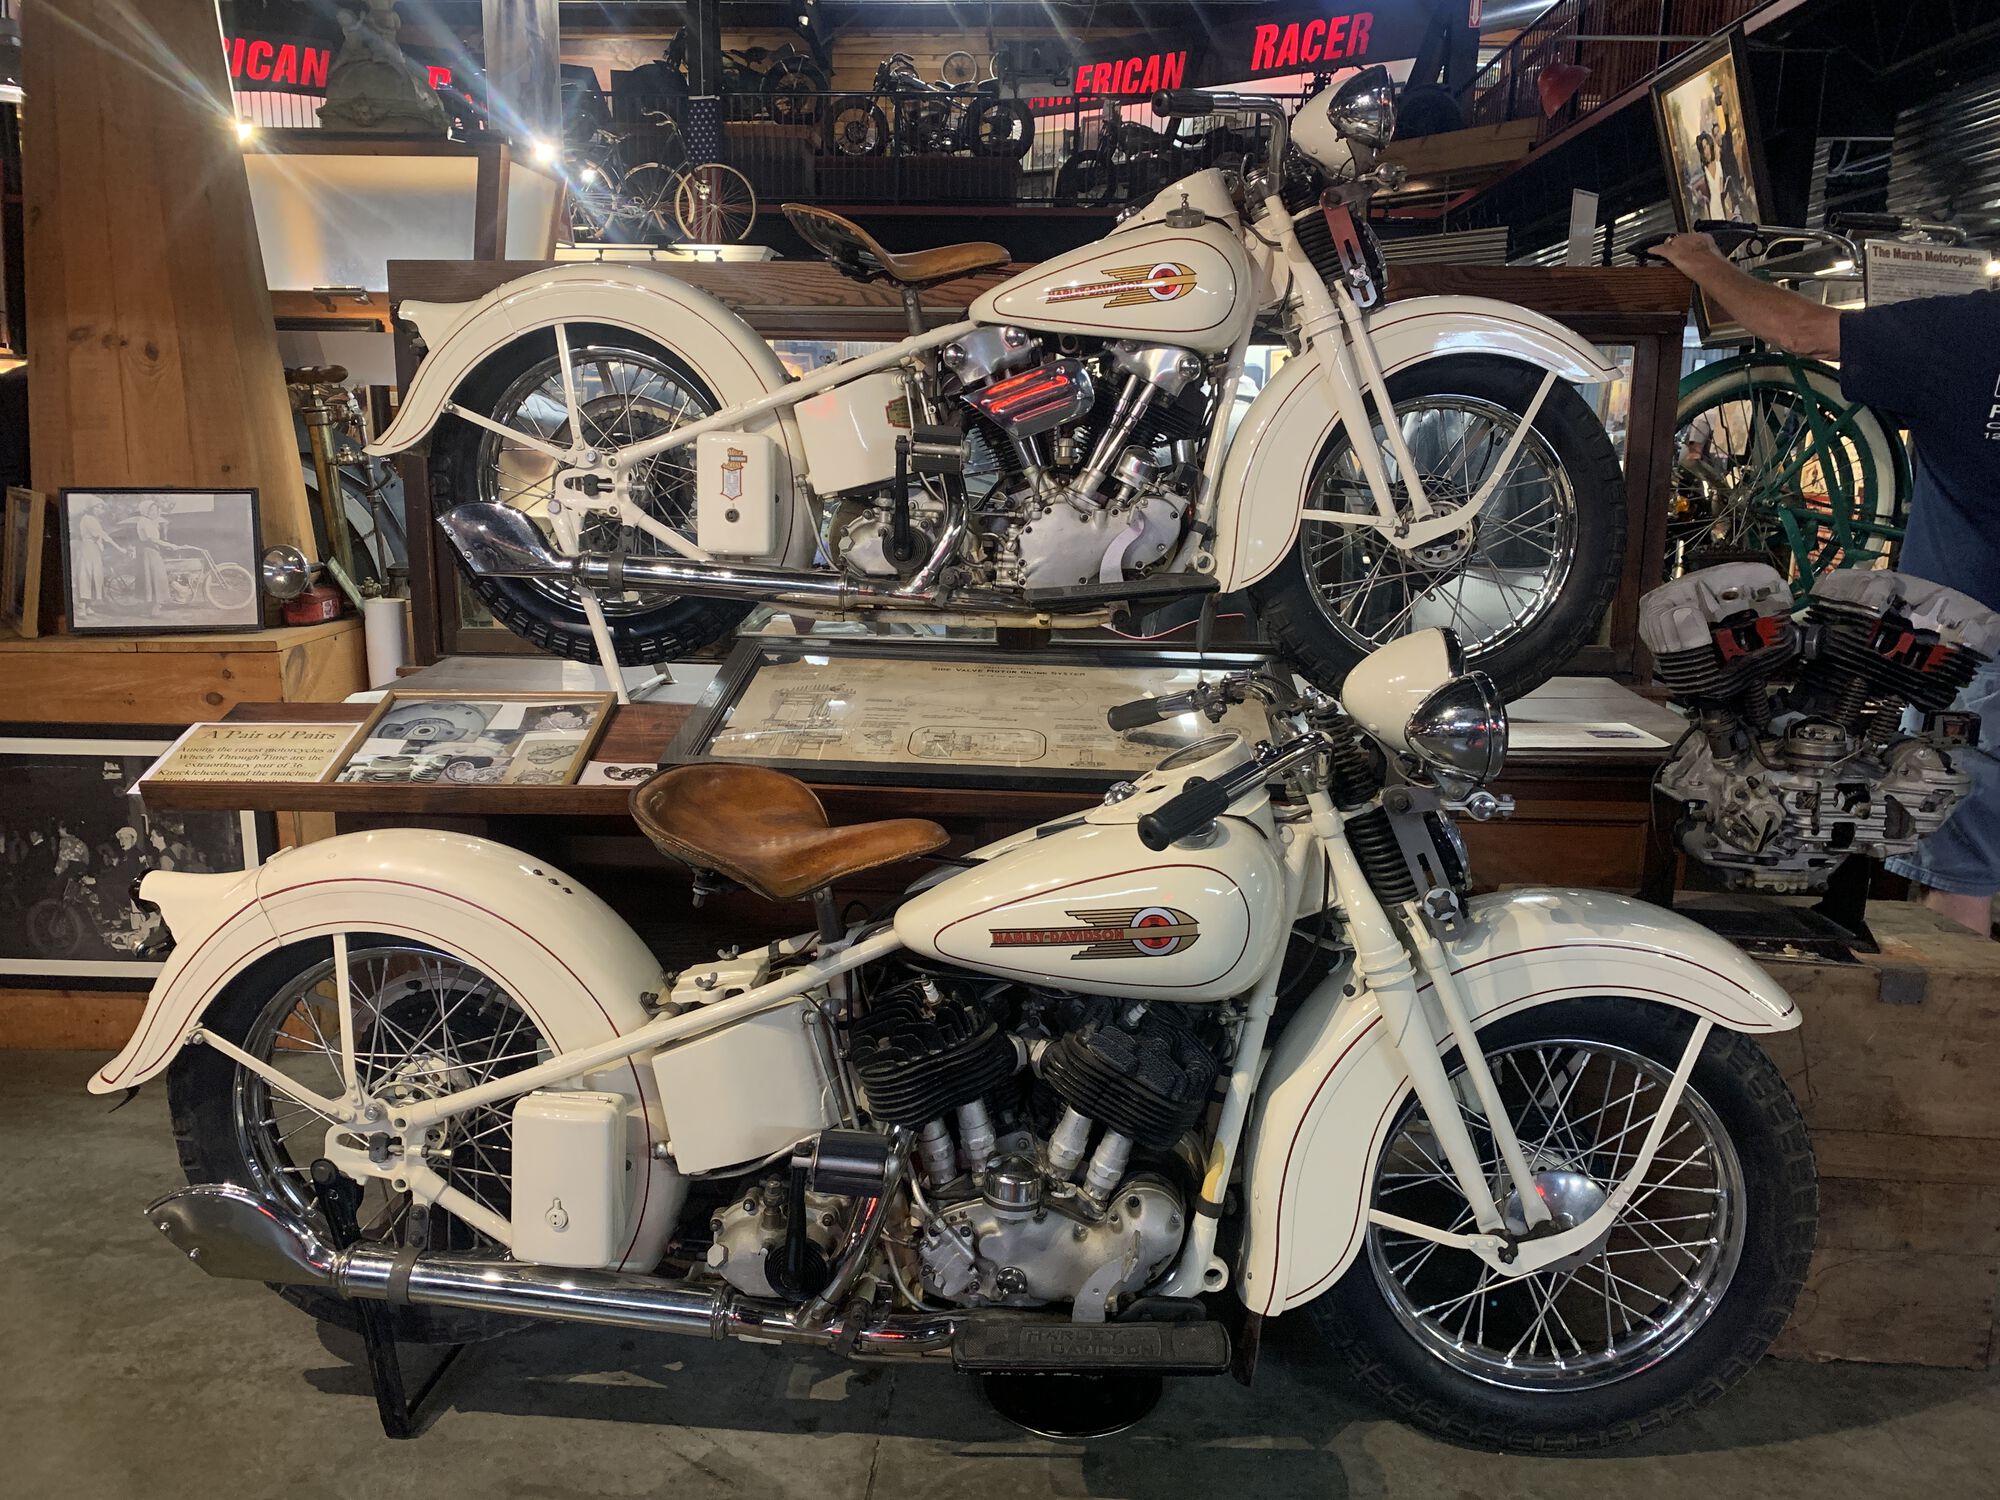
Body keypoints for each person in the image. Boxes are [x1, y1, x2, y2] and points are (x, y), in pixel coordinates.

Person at [1657, 231, 2000, 939]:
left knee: (1958, 889)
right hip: (1957, 670)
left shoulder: (1971, 332)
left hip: (1958, 660)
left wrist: (1700, 261)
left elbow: (1798, 329)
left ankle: (1938, 1028)